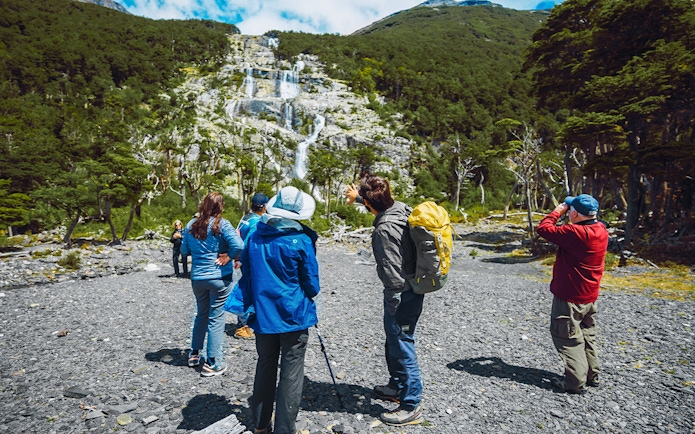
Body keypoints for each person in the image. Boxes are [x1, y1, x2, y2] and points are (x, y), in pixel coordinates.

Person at [344, 174, 424, 426]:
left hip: (401, 295)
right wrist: (358, 198)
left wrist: (392, 300)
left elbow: (392, 274)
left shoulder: (384, 229)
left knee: (402, 343)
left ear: (369, 203)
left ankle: (411, 404)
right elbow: (380, 203)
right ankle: (397, 386)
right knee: (394, 340)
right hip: (412, 288)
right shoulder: (399, 208)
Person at [239, 186, 320, 434]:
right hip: (294, 316)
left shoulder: (254, 235)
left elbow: (246, 272)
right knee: (291, 372)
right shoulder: (302, 240)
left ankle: (261, 424)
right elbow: (312, 285)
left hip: (263, 315)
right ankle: (285, 429)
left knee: (265, 365)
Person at [536, 194, 608, 394]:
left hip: (570, 297)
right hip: (589, 296)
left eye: (570, 211)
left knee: (568, 337)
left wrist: (558, 210)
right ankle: (592, 374)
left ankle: (574, 382)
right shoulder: (601, 229)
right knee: (587, 335)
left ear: (575, 213)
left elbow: (543, 228)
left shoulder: (576, 232)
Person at [180, 192, 244, 377]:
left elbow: (184, 251)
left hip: (198, 277)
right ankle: (213, 362)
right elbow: (239, 245)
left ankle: (194, 353)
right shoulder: (222, 224)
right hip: (219, 278)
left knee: (201, 314)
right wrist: (228, 256)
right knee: (216, 318)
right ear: (220, 207)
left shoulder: (191, 225)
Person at [231, 192, 269, 340]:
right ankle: (246, 325)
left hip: (242, 260)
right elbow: (248, 243)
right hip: (250, 262)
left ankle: (243, 321)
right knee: (252, 291)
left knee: (246, 289)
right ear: (264, 206)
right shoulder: (257, 222)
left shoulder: (245, 218)